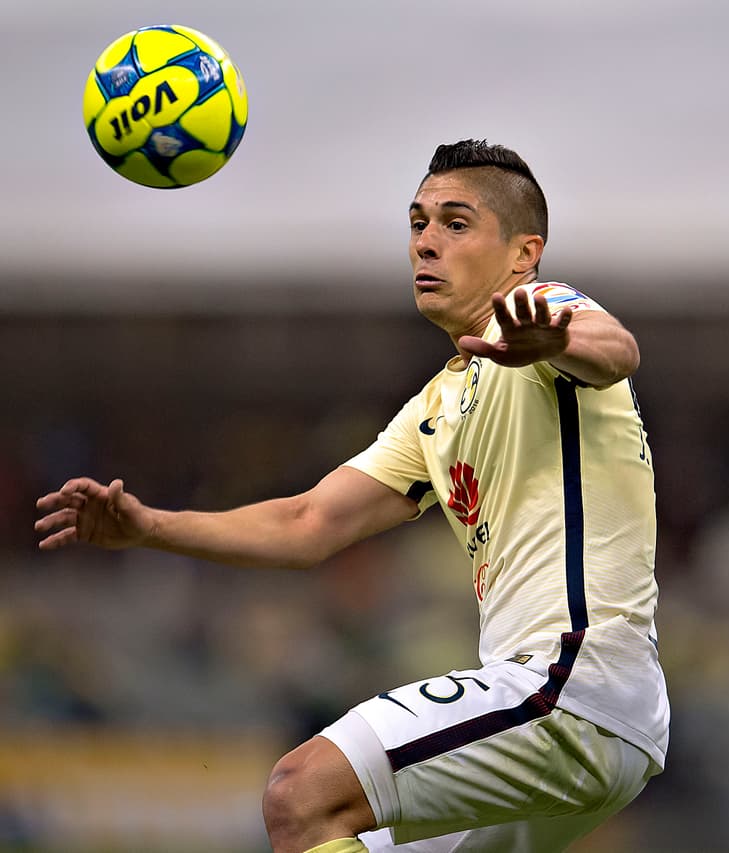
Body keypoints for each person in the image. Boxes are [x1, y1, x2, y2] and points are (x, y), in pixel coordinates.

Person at [34, 140, 668, 853]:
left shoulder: (541, 313)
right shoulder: (439, 404)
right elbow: (307, 522)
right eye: (417, 222)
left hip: (568, 689)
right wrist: (151, 526)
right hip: (580, 718)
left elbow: (616, 349)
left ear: (524, 253)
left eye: (455, 224)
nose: (426, 241)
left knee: (301, 792)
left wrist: (551, 343)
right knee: (346, 838)